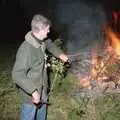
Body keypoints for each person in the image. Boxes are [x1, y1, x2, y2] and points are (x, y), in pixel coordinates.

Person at [12, 14, 68, 120]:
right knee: (29, 115)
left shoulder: (41, 40)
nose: (48, 32)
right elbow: (17, 74)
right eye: (47, 29)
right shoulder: (26, 50)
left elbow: (50, 44)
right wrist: (33, 91)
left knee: (42, 115)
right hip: (31, 95)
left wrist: (60, 54)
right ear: (40, 30)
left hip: (43, 87)